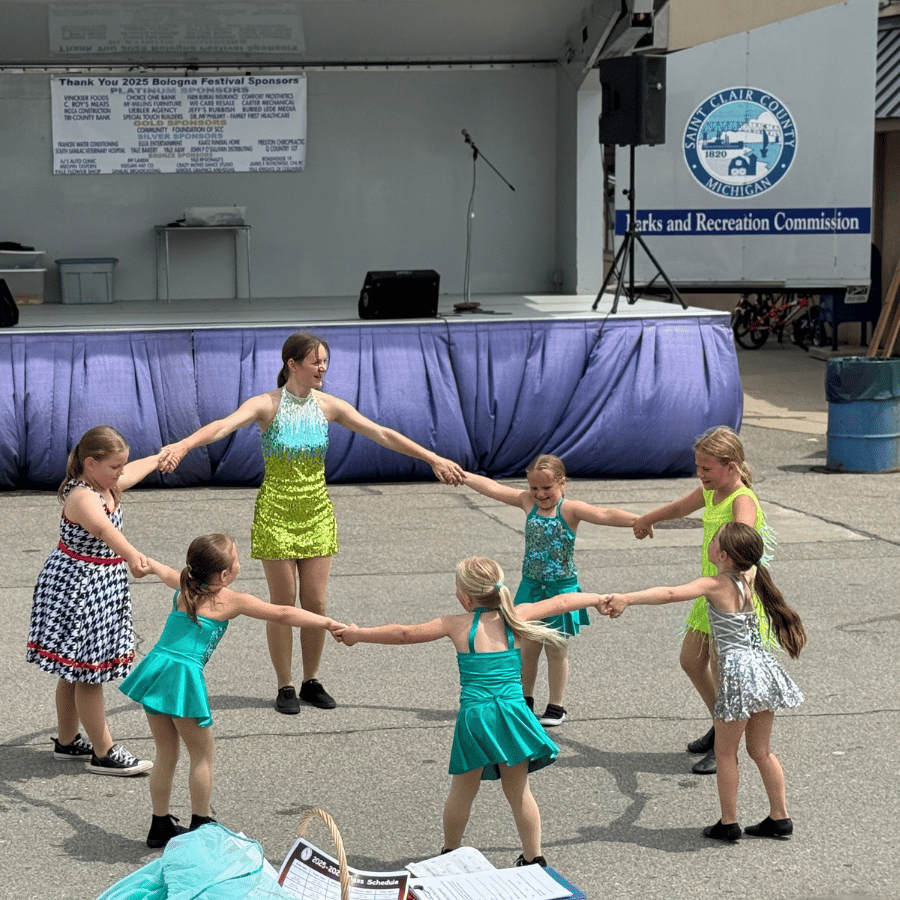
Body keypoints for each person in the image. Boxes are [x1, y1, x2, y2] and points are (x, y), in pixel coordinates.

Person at [158, 332, 465, 715]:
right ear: (293, 364)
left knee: (316, 601)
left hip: (316, 511)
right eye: (316, 361)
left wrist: (432, 458)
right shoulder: (266, 405)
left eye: (325, 361)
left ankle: (311, 680)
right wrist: (184, 445)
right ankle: (285, 684)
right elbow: (222, 426)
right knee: (282, 603)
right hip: (276, 513)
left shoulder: (329, 406)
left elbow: (382, 433)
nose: (323, 368)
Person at [333, 555, 606, 867]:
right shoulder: (516, 616)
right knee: (519, 793)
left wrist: (358, 634)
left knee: (463, 791)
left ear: (464, 595)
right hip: (513, 714)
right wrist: (601, 599)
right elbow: (564, 600)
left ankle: (450, 851)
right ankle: (534, 857)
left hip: (476, 718)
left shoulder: (456, 624)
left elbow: (404, 633)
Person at [120, 534, 346, 848]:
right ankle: (200, 823)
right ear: (225, 575)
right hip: (182, 678)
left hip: (156, 670)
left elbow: (163, 571)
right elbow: (282, 613)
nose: (240, 563)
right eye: (236, 558)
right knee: (202, 755)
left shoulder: (185, 584)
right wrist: (326, 622)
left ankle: (160, 824)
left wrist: (150, 564)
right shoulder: (232, 600)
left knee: (166, 753)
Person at [602, 522, 805, 842]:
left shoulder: (716, 584)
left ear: (722, 555)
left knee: (725, 752)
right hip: (764, 669)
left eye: (713, 540)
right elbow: (750, 557)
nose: (708, 542)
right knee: (762, 751)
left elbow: (670, 593)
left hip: (739, 677)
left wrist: (627, 597)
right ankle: (780, 817)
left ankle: (729, 822)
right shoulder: (751, 575)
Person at [631, 426, 774, 775]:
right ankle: (718, 724)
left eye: (706, 467)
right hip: (711, 593)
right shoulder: (712, 491)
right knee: (692, 661)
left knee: (725, 674)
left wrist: (742, 586)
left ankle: (727, 745)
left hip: (732, 600)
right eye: (698, 466)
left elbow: (746, 548)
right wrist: (648, 518)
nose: (701, 474)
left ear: (731, 465)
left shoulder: (742, 501)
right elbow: (681, 506)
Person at [460, 455, 643, 726]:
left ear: (562, 483)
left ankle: (556, 705)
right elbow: (494, 489)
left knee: (556, 648)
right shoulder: (527, 502)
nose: (540, 494)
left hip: (561, 589)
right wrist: (463, 476)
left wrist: (643, 519)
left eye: (547, 488)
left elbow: (604, 514)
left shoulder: (569, 509)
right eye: (534, 488)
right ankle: (525, 699)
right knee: (528, 648)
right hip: (530, 586)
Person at [26, 425, 160, 776]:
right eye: (114, 466)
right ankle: (104, 752)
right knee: (87, 674)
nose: (120, 472)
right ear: (90, 463)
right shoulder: (83, 496)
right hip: (78, 588)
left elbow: (135, 470)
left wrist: (162, 457)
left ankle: (68, 742)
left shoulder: (107, 483)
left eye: (121, 466)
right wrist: (133, 556)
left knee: (73, 672)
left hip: (99, 584)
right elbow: (104, 530)